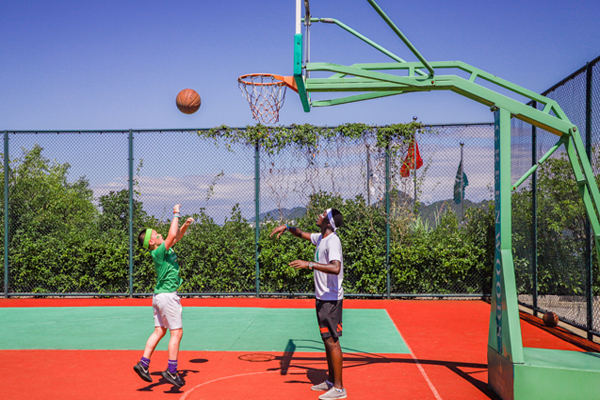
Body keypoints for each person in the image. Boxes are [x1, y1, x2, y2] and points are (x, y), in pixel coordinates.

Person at [270, 208, 347, 400]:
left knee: (333, 342)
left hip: (331, 299)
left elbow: (336, 268)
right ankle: (331, 382)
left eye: (323, 214)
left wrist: (309, 264)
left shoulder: (333, 241)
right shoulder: (321, 238)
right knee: (326, 340)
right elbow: (301, 234)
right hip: (322, 298)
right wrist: (287, 228)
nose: (319, 215)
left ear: (328, 222)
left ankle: (339, 388)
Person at [133, 204, 194, 388]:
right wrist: (176, 213)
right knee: (177, 333)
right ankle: (171, 371)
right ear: (152, 242)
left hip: (159, 296)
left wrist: (184, 226)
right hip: (168, 296)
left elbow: (176, 237)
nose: (160, 235)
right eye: (156, 235)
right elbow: (171, 236)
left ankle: (143, 364)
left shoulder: (164, 249)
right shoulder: (158, 251)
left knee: (160, 331)